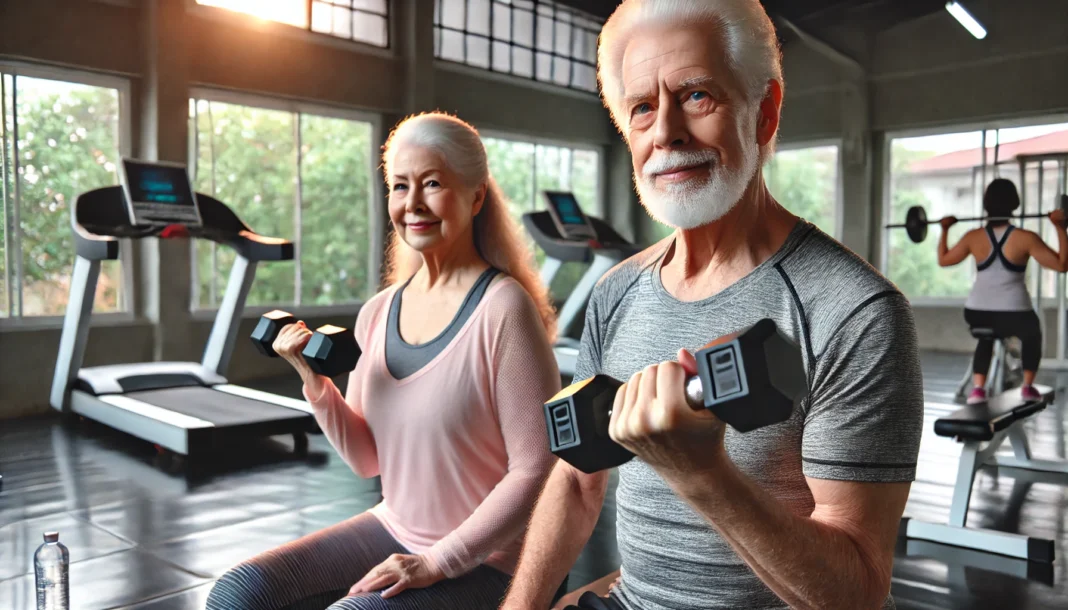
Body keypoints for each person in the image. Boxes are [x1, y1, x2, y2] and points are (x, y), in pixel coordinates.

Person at [500, 1, 925, 609]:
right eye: (642, 107)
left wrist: (703, 475)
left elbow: (854, 593)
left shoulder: (854, 312)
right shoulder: (615, 292)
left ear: (766, 111)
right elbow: (574, 481)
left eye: (698, 95)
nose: (666, 132)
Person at [206, 112, 561, 610]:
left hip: (492, 563)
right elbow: (366, 459)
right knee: (237, 594)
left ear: (475, 196)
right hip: (395, 528)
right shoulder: (378, 313)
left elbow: (537, 470)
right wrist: (314, 382)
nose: (412, 203)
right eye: (400, 186)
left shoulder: (503, 308)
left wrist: (438, 561)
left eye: (432, 183)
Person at [937, 177, 1068, 403]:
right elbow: (1061, 265)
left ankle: (977, 390)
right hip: (1015, 314)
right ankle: (1027, 386)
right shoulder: (1026, 238)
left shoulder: (973, 237)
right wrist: (1059, 227)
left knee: (986, 337)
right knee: (1032, 334)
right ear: (1015, 204)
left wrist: (945, 229)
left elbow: (944, 259)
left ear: (986, 205)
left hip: (976, 312)